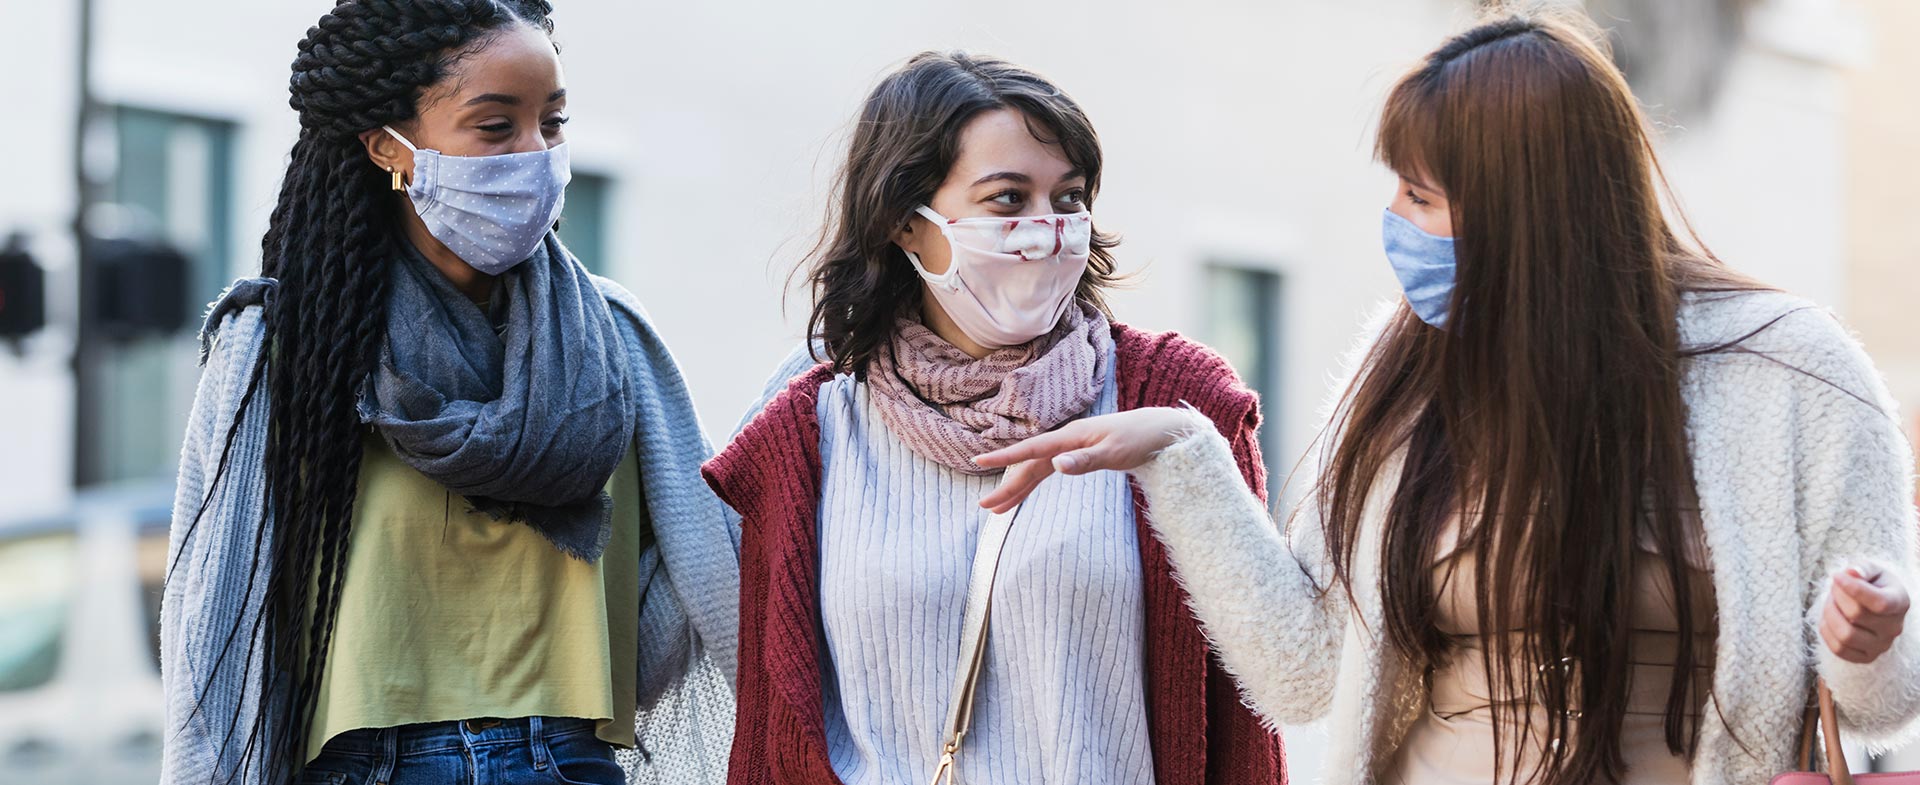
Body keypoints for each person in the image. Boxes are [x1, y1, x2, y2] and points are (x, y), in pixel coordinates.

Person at [975, 10, 1920, 785]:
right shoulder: (1399, 373)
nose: (1396, 222)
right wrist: (1181, 455)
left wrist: (1863, 637)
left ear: (1534, 209)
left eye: (1423, 196)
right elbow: (1306, 671)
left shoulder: (1793, 371)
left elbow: (1886, 700)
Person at [160, 2, 737, 783]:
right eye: (496, 127)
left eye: (554, 123)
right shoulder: (286, 342)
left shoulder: (614, 339)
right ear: (387, 147)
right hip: (366, 767)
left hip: (566, 760)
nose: (536, 156)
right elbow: (216, 625)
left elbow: (708, 564)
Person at [704, 51, 1286, 785]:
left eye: (1067, 198)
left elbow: (1250, 707)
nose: (1046, 231)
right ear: (906, 226)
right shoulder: (808, 433)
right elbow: (772, 734)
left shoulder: (1174, 405)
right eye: (1008, 199)